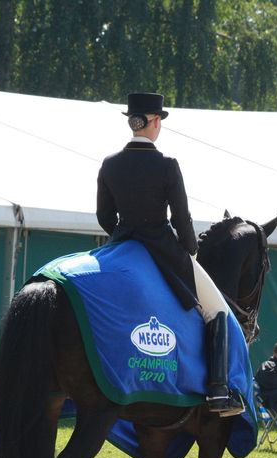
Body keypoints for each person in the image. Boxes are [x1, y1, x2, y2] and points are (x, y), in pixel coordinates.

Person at [96, 92, 240, 416]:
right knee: (216, 310)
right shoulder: (167, 165)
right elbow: (181, 219)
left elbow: (104, 216)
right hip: (162, 247)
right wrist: (190, 249)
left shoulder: (110, 164)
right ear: (156, 121)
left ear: (132, 122)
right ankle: (218, 390)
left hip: (121, 243)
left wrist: (123, 235)